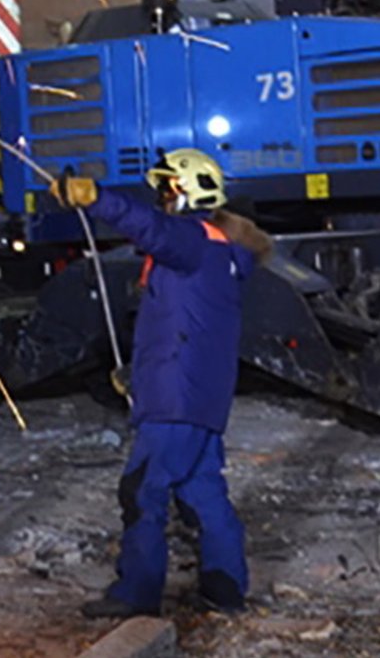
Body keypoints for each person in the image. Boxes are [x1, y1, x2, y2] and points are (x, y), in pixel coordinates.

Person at [53, 148, 271, 618]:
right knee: (201, 492)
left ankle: (137, 593)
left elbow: (147, 226)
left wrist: (95, 197)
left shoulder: (193, 241)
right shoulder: (220, 252)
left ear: (187, 189)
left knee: (142, 491)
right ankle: (225, 589)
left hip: (175, 401)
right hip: (198, 399)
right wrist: (139, 377)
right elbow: (180, 326)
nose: (161, 196)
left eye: (167, 186)